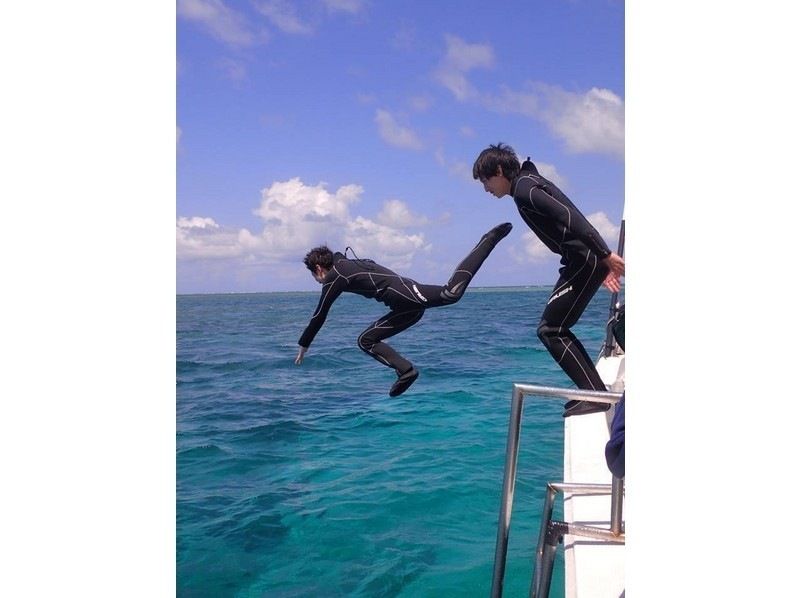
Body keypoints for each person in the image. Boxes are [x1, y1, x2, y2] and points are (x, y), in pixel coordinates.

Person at [472, 143, 625, 417]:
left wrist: (605, 256)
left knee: (550, 330)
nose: (486, 189)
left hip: (583, 261)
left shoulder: (524, 189)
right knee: (555, 328)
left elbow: (571, 217)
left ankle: (596, 395)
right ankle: (593, 391)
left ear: (498, 170)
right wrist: (600, 260)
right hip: (582, 261)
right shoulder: (528, 182)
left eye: (486, 180)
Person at [295, 222, 513, 396]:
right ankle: (406, 371)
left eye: (314, 276)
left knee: (451, 293)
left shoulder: (335, 276)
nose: (317, 281)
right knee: (365, 340)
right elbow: (345, 262)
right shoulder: (343, 264)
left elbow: (320, 314)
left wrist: (304, 345)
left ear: (319, 269)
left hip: (406, 293)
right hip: (404, 309)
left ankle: (488, 241)